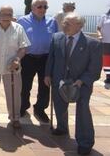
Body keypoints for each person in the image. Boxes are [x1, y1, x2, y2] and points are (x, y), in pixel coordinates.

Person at [44, 13, 102, 155]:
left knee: (82, 111)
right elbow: (51, 58)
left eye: (68, 23)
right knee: (59, 105)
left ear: (80, 26)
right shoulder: (57, 37)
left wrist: (82, 80)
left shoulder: (92, 44)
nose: (65, 25)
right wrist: (47, 74)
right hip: (59, 80)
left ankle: (85, 142)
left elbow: (94, 68)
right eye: (64, 22)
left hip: (81, 83)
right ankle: (62, 127)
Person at [0, 6, 31, 128]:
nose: (7, 17)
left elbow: (23, 47)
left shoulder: (18, 28)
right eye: (4, 14)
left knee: (14, 93)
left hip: (11, 66)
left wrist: (17, 59)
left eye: (10, 14)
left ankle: (15, 117)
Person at [17, 0, 58, 122]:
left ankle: (40, 109)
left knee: (45, 86)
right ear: (32, 7)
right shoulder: (22, 21)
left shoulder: (52, 21)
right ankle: (22, 107)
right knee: (25, 85)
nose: (43, 9)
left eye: (45, 7)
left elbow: (56, 40)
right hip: (28, 58)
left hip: (46, 58)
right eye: (40, 6)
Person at [97, 4, 110, 87]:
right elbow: (98, 28)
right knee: (107, 62)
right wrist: (99, 35)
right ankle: (109, 77)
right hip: (106, 42)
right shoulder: (104, 17)